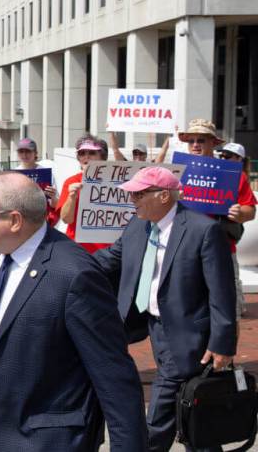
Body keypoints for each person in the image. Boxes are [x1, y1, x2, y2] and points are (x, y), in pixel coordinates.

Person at [0, 172, 147, 451]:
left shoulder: (75, 275)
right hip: (3, 429)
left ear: (15, 220)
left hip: (51, 439)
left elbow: (114, 375)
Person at [94, 166, 236, 451]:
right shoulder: (137, 226)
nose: (132, 200)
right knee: (190, 403)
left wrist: (223, 343)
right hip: (152, 324)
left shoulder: (203, 230)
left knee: (164, 400)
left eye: (138, 194)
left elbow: (222, 292)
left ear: (162, 197)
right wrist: (64, 262)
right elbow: (108, 259)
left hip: (189, 332)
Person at [178, 119, 256, 319]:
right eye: (191, 140)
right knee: (187, 306)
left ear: (213, 143)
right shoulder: (177, 172)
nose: (195, 144)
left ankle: (222, 348)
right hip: (184, 247)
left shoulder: (232, 174)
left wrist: (240, 213)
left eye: (201, 140)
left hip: (221, 247)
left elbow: (250, 211)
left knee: (226, 310)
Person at [56, 134, 110, 253]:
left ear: (103, 157)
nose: (86, 157)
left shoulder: (114, 182)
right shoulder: (71, 182)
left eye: (92, 153)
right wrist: (72, 197)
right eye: (82, 153)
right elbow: (66, 219)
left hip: (110, 250)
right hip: (79, 250)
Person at [14, 137, 57, 209]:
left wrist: (53, 197)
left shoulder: (45, 173)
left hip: (40, 217)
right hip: (20, 216)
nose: (24, 155)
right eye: (21, 151)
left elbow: (54, 205)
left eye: (28, 151)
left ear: (35, 153)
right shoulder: (13, 174)